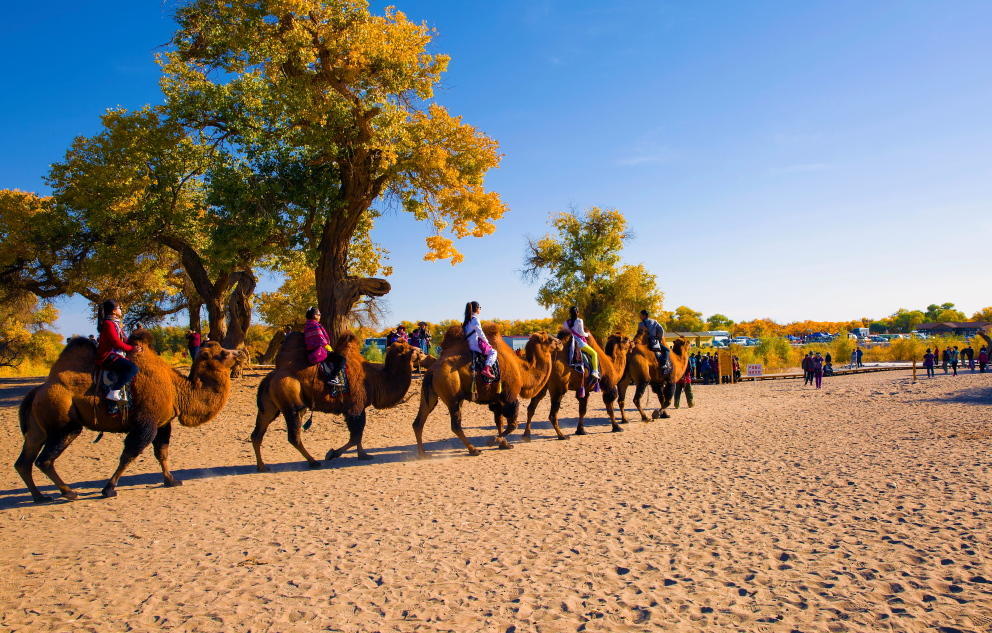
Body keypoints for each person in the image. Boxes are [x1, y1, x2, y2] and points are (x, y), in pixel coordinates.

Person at [95, 300, 142, 414]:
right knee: (133, 368)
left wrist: (135, 345)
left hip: (115, 354)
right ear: (114, 311)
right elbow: (115, 342)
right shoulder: (108, 323)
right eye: (119, 308)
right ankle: (113, 392)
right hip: (107, 356)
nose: (121, 310)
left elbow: (123, 338)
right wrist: (131, 349)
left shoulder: (115, 323)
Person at [303, 307, 344, 387]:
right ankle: (332, 378)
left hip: (310, 351)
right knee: (342, 360)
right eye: (319, 314)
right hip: (318, 352)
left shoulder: (307, 325)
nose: (320, 316)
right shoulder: (315, 325)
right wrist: (329, 349)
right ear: (315, 316)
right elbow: (321, 340)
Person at [563, 306, 600, 379]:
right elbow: (581, 333)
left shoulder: (565, 323)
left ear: (570, 313)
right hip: (578, 343)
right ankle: (595, 372)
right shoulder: (579, 321)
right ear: (578, 312)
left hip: (569, 343)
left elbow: (565, 333)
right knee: (594, 354)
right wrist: (587, 334)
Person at [463, 301, 497, 379]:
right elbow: (480, 333)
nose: (480, 309)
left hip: (468, 345)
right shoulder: (475, 320)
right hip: (474, 345)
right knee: (493, 352)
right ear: (476, 309)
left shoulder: (466, 321)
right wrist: (487, 343)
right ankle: (487, 369)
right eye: (480, 308)